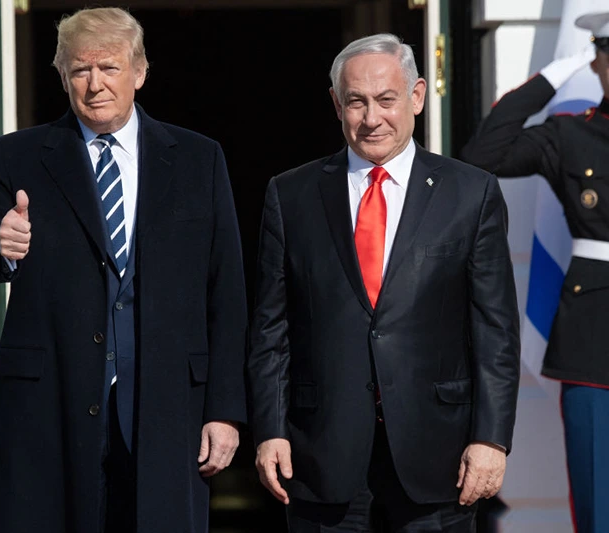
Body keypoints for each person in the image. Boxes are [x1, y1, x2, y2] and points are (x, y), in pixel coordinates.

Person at [0, 7, 247, 533]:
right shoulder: (16, 155)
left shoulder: (197, 159)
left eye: (109, 68)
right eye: (80, 71)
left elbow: (225, 290)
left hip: (164, 404)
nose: (95, 85)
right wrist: (1, 241)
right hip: (49, 406)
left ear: (139, 72)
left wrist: (225, 410)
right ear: (63, 77)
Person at [247, 33, 521, 533]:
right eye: (356, 102)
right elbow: (271, 328)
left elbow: (495, 330)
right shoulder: (291, 195)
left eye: (386, 100)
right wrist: (269, 430)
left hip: (440, 458)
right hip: (320, 456)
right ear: (336, 104)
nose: (372, 118)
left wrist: (492, 439)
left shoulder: (470, 193)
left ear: (417, 96)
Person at [460, 11, 609, 533]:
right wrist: (549, 79)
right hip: (596, 337)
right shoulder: (573, 135)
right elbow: (483, 156)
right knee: (598, 505)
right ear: (598, 61)